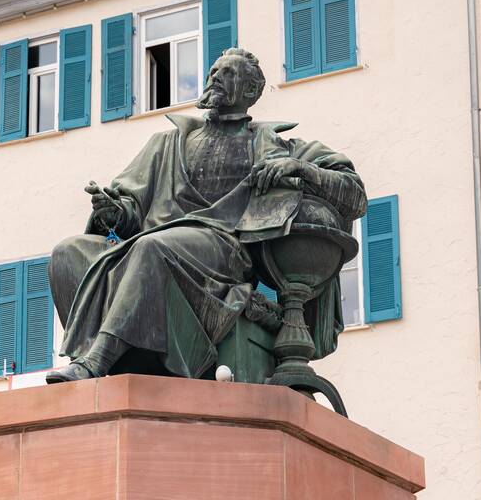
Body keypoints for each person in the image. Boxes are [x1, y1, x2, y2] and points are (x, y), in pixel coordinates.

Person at [46, 48, 366, 384]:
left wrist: (300, 169)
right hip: (154, 243)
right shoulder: (167, 143)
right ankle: (116, 358)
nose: (214, 77)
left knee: (153, 248)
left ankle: (97, 361)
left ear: (250, 92)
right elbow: (129, 209)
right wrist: (112, 211)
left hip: (222, 250)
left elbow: (354, 193)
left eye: (227, 73)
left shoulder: (275, 145)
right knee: (68, 252)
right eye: (213, 71)